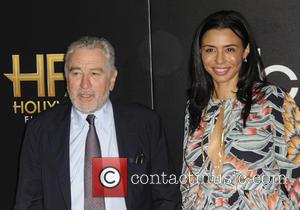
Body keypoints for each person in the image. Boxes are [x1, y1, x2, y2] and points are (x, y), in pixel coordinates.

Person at [14, 36, 180, 210]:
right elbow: (28, 202)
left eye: (94, 73)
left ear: (112, 79)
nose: (85, 84)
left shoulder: (145, 123)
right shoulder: (41, 129)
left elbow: (167, 196)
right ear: (66, 77)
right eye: (76, 73)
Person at [181, 10, 300, 209]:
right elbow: (188, 179)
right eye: (210, 50)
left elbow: (296, 173)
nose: (219, 60)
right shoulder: (196, 106)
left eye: (229, 49)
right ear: (200, 53)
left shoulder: (272, 100)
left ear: (245, 52)